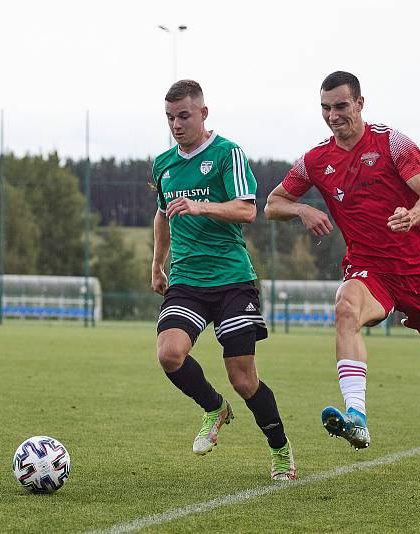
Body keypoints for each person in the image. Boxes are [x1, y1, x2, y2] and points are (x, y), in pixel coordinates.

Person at [264, 71, 420, 457]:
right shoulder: (315, 160)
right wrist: (303, 209)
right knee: (345, 308)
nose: (333, 115)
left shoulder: (393, 143)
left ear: (360, 103)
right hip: (369, 270)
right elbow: (272, 204)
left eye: (341, 106)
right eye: (325, 108)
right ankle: (356, 415)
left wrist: (412, 215)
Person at [151, 79, 296, 480]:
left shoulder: (227, 153)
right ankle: (213, 408)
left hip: (232, 280)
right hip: (187, 281)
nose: (176, 125)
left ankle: (280, 449)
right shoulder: (163, 164)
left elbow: (248, 211)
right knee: (169, 353)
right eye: (169, 118)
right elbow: (163, 215)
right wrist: (156, 263)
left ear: (203, 113)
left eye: (183, 116)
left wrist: (201, 207)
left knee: (243, 378)